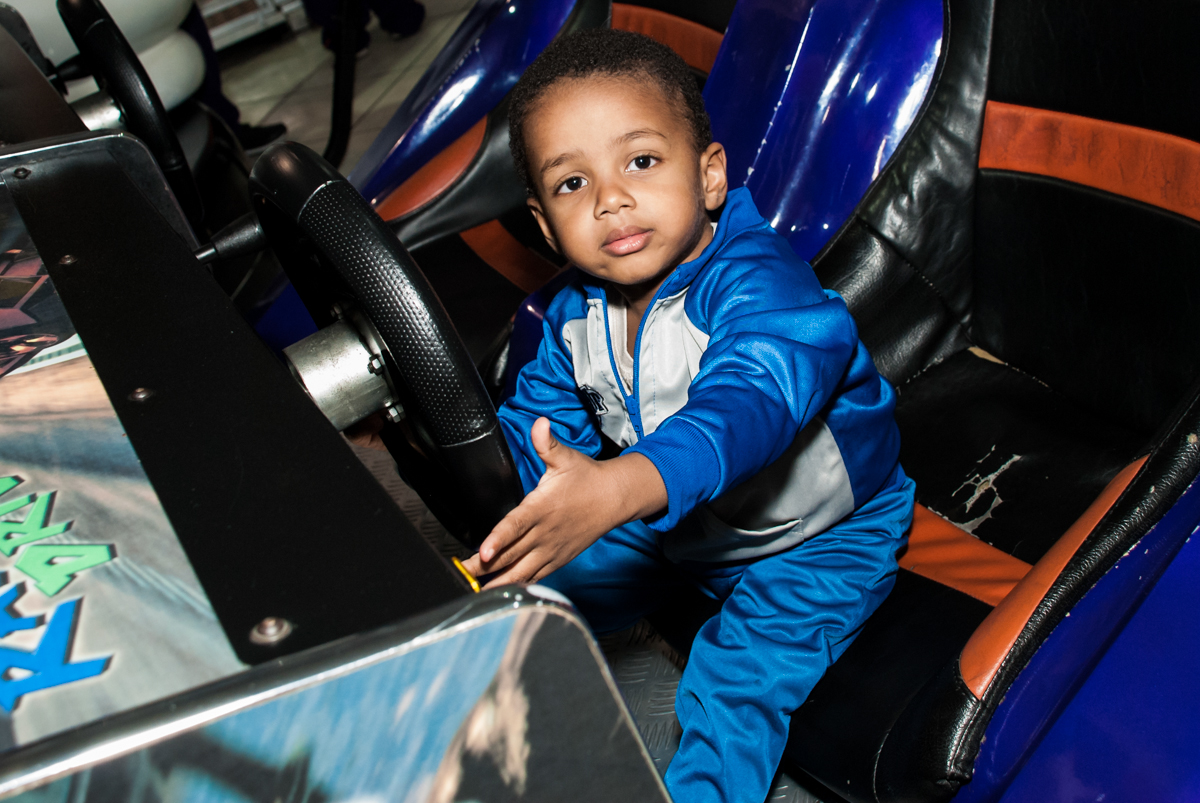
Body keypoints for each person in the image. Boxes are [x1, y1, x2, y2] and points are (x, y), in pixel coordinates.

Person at [459, 28, 916, 803]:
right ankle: (453, 712)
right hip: (672, 520)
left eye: (641, 161)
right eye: (572, 184)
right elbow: (535, 425)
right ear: (544, 224)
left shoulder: (759, 286)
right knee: (531, 591)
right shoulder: (576, 310)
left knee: (733, 681)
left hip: (817, 537)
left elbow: (749, 403)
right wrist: (524, 503)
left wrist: (620, 487)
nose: (611, 199)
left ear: (708, 176)